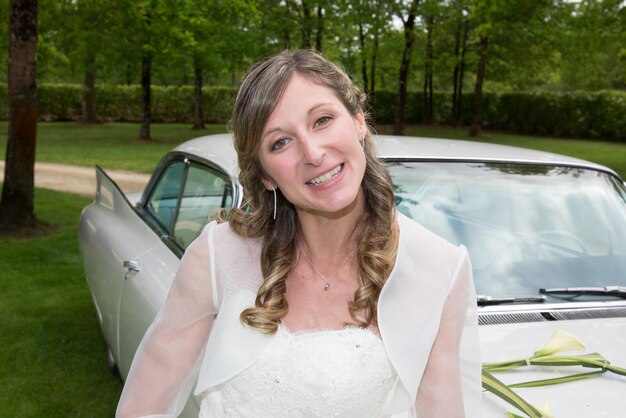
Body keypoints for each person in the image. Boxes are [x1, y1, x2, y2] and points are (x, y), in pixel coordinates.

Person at [116, 49, 481, 418]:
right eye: (280, 142)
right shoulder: (217, 256)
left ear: (358, 121)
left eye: (322, 120)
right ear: (265, 176)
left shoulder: (439, 268)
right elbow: (142, 408)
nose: (313, 152)